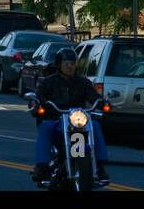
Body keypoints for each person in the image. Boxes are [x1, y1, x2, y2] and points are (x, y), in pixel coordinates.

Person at [31, 49, 108, 183]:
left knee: (95, 126)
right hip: (56, 119)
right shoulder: (48, 82)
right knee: (45, 127)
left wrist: (102, 102)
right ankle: (41, 166)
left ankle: (100, 167)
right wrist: (36, 104)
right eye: (67, 63)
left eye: (73, 63)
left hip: (77, 119)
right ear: (59, 64)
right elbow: (38, 97)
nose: (70, 66)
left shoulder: (83, 82)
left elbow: (94, 96)